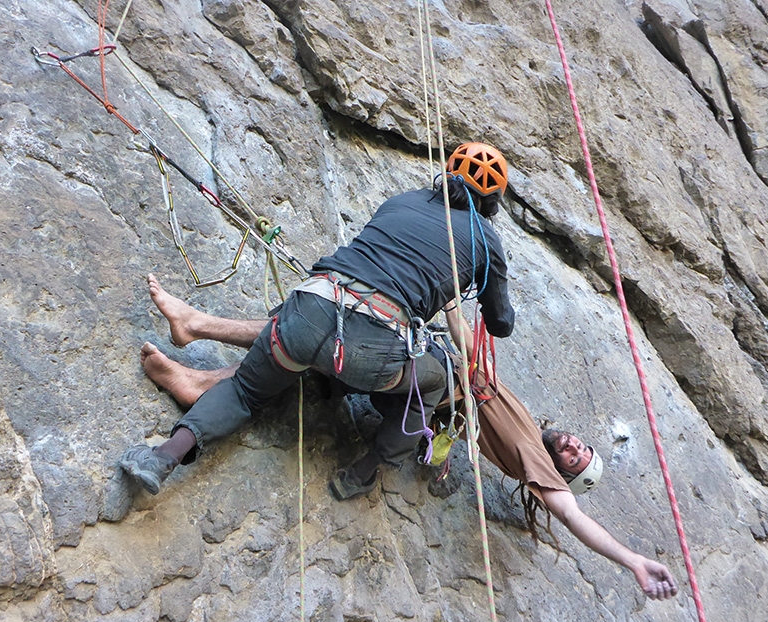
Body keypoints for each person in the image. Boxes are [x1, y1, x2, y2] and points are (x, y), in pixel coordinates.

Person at [132, 281, 679, 601]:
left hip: (418, 382)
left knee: (326, 328)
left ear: (559, 477)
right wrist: (448, 314)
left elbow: (572, 515)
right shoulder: (525, 425)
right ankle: (200, 378)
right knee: (317, 340)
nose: (576, 447)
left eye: (577, 461)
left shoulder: (531, 458)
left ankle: (198, 332)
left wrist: (631, 559)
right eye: (584, 447)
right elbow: (474, 366)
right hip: (417, 385)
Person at [120, 143, 517, 500]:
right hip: (375, 345)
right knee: (438, 378)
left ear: (446, 173)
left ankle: (160, 459)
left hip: (313, 305)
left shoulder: (404, 200)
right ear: (493, 202)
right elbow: (500, 323)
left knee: (245, 391)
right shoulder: (486, 240)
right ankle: (365, 473)